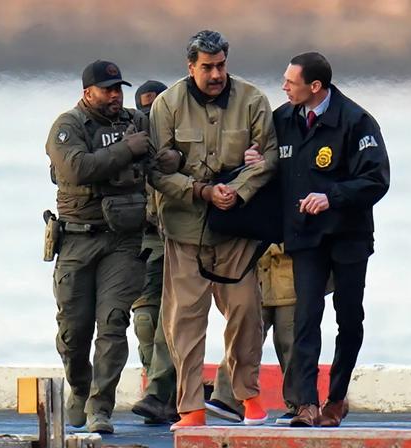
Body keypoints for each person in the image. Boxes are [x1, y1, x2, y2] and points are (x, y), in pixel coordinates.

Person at [148, 29, 278, 431]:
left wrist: (236, 192)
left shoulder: (253, 100)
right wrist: (201, 191)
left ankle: (248, 398)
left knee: (245, 311)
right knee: (184, 319)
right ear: (191, 67)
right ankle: (191, 408)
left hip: (236, 228)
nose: (216, 74)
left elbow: (269, 157)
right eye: (207, 67)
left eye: (221, 65)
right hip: (185, 229)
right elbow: (155, 170)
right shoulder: (166, 105)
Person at [44, 60, 180, 434]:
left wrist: (171, 159)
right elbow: (77, 170)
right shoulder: (68, 127)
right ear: (88, 92)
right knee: (73, 332)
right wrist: (126, 150)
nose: (115, 96)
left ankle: (100, 407)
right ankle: (79, 386)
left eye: (119, 89)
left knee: (114, 324)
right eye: (107, 90)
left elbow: (158, 160)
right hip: (77, 240)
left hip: (123, 241)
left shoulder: (136, 122)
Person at [269, 51, 390, 427]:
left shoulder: (357, 121)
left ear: (315, 86)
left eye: (292, 81)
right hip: (305, 237)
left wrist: (331, 196)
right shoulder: (281, 120)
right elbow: (268, 167)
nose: (285, 86)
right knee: (305, 319)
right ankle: (307, 403)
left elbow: (376, 180)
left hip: (348, 236)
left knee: (349, 318)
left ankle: (336, 399)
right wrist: (256, 158)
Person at [206, 244, 335, 426]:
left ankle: (300, 404)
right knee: (245, 333)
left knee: (290, 340)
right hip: (259, 272)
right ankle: (228, 397)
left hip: (292, 276)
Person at [129, 80, 180, 424]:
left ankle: (162, 392)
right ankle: (158, 393)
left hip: (176, 237)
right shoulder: (130, 143)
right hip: (143, 240)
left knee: (170, 322)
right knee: (145, 321)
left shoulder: (177, 144)